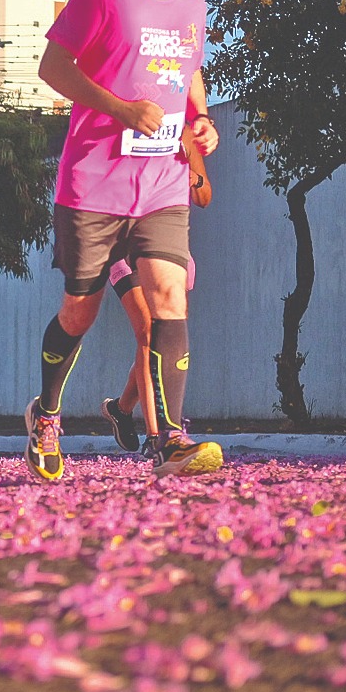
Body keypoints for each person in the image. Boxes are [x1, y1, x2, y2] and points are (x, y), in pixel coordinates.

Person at [27, 0, 223, 481]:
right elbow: (53, 67)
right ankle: (47, 412)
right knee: (79, 311)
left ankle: (170, 440)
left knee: (169, 296)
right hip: (94, 181)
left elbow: (191, 73)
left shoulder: (193, 5)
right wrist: (119, 108)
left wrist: (202, 121)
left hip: (161, 179)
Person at [102, 128, 212, 456]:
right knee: (147, 333)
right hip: (122, 243)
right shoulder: (122, 128)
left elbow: (205, 197)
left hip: (167, 244)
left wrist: (191, 178)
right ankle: (157, 435)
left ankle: (121, 409)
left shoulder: (187, 136)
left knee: (158, 339)